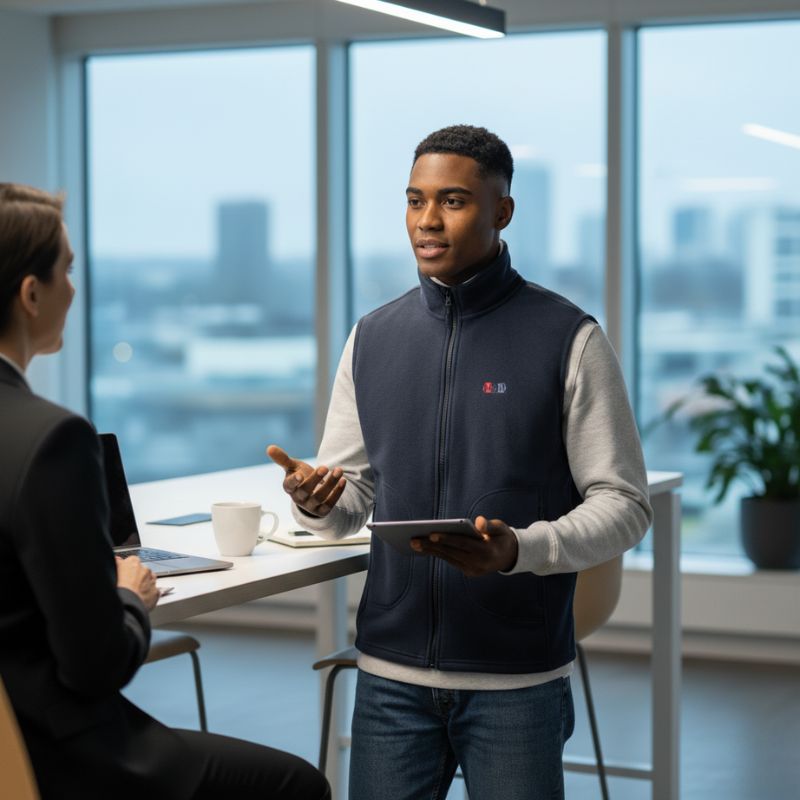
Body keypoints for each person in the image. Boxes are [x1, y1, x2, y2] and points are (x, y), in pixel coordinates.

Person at [268, 124, 653, 800]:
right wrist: (316, 499)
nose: (427, 220)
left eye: (452, 201)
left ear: (502, 211)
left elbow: (625, 505)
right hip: (390, 677)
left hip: (516, 682)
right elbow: (349, 500)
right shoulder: (372, 338)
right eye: (415, 200)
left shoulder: (569, 338)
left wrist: (520, 550)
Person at [0, 183, 331, 800]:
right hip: (54, 755)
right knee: (296, 785)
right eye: (66, 270)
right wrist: (129, 598)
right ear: (30, 293)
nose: (74, 289)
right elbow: (95, 666)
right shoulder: (51, 440)